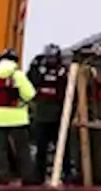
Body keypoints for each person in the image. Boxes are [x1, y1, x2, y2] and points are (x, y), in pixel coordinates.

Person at [0, 49, 36, 184]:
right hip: (18, 119)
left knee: (0, 150)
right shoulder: (18, 75)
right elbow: (30, 94)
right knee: (22, 149)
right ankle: (27, 177)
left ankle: (3, 177)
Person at [27, 43, 69, 183]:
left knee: (62, 148)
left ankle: (66, 172)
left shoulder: (63, 71)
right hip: (42, 115)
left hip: (58, 115)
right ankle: (39, 175)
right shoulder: (40, 70)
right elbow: (31, 81)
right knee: (41, 148)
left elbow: (66, 90)